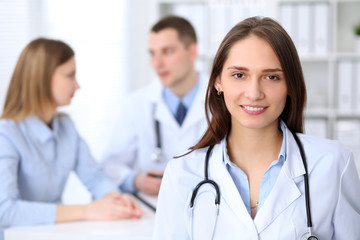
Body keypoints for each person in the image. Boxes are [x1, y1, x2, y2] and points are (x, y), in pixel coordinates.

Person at [153, 16, 360, 239]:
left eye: (271, 77)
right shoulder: (182, 172)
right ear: (217, 82)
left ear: (290, 84)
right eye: (239, 75)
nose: (254, 93)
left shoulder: (333, 164)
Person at [0, 38, 143, 239]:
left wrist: (115, 199)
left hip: (53, 233)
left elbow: (94, 176)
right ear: (42, 79)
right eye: (70, 76)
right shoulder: (6, 134)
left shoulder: (67, 127)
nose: (77, 85)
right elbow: (5, 210)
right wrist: (86, 210)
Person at [101, 16, 208, 198]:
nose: (157, 64)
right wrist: (136, 180)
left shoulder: (222, 100)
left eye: (167, 52)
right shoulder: (136, 104)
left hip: (210, 209)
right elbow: (110, 166)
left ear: (192, 52)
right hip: (153, 211)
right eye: (152, 54)